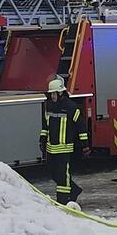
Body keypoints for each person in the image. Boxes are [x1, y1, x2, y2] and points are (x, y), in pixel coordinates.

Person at [40, 76, 90, 205]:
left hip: (65, 147)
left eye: (54, 94)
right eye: (50, 94)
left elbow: (81, 127)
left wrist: (85, 145)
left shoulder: (71, 107)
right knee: (54, 175)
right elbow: (45, 125)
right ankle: (74, 191)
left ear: (61, 92)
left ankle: (63, 201)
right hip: (51, 148)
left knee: (63, 176)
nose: (52, 96)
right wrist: (42, 139)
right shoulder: (49, 106)